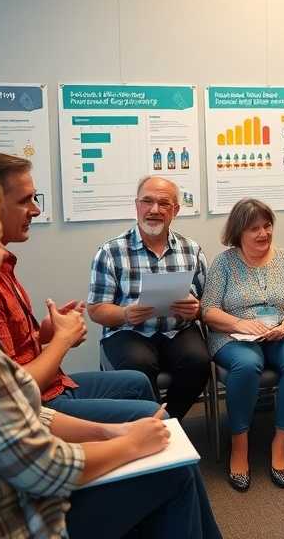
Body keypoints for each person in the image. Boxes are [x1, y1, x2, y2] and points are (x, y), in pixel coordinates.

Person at [0, 175, 221, 539]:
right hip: (22, 517)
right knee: (173, 467)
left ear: (176, 210)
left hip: (18, 480)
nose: (4, 255)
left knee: (181, 391)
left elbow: (22, 406)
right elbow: (44, 467)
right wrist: (127, 443)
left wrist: (107, 432)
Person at [0, 151, 160, 423]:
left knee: (138, 383)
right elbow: (13, 392)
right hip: (38, 403)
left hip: (52, 385)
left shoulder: (2, 266)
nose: (36, 210)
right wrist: (63, 340)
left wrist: (45, 333)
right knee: (155, 418)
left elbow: (8, 353)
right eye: (26, 200)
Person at [202, 198, 284, 491]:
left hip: (281, 332)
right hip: (233, 336)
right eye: (254, 229)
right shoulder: (223, 263)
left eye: (267, 226)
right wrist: (239, 324)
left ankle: (280, 443)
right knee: (248, 364)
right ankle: (240, 445)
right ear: (239, 231)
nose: (263, 234)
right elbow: (208, 310)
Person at [87, 175, 211, 421]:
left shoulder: (191, 250)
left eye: (164, 203)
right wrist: (124, 314)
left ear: (175, 210)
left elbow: (208, 304)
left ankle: (167, 423)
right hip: (128, 331)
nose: (154, 210)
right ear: (137, 206)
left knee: (198, 364)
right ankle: (149, 425)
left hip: (178, 329)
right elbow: (96, 309)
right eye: (147, 201)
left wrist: (196, 310)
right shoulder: (110, 252)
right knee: (138, 370)